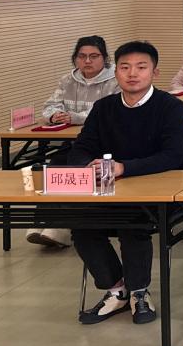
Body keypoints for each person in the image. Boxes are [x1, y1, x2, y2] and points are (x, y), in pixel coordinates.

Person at [68, 41, 183, 325]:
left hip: (156, 192)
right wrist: (88, 164)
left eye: (141, 67)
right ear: (116, 72)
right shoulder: (104, 107)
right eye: (125, 67)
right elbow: (82, 147)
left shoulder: (169, 106)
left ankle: (139, 292)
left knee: (132, 222)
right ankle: (117, 289)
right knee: (79, 223)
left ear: (154, 73)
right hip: (109, 189)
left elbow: (173, 156)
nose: (132, 74)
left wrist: (125, 168)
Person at [30, 36, 119, 248]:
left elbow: (108, 112)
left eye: (94, 56)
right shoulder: (67, 80)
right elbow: (49, 105)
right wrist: (55, 115)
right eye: (82, 56)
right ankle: (42, 223)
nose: (87, 61)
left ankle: (60, 228)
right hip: (73, 141)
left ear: (104, 58)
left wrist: (75, 117)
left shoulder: (116, 80)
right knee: (54, 166)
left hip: (105, 144)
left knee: (71, 166)